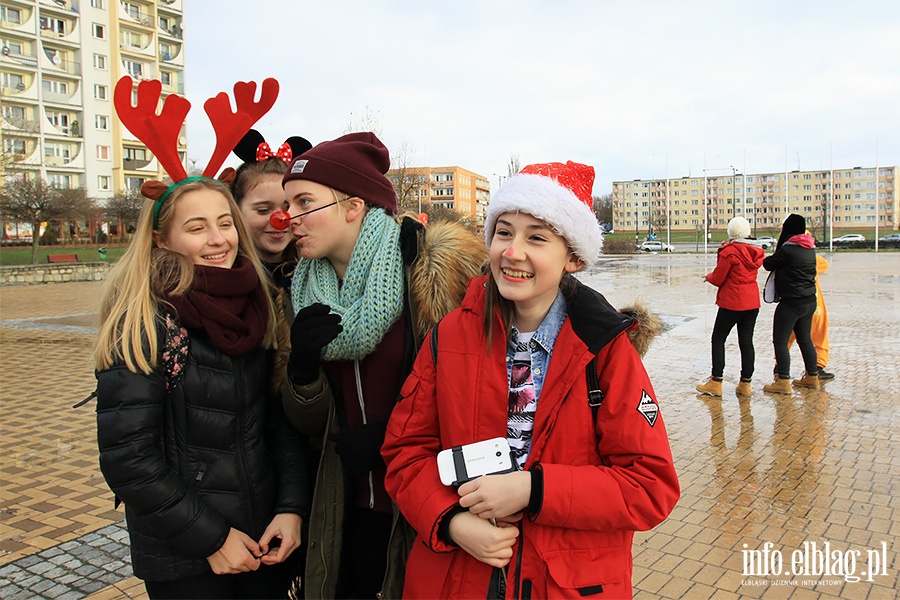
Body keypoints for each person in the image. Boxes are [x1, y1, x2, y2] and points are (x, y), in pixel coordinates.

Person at [381, 161, 680, 599]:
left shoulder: (605, 350)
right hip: (457, 578)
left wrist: (534, 489)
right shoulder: (449, 337)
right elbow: (405, 453)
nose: (512, 251)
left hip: (564, 585)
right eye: (504, 232)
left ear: (573, 257)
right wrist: (451, 521)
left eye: (536, 237)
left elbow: (649, 487)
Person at [279, 132, 488, 599]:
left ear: (353, 207)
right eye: (286, 203)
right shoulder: (296, 291)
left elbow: (483, 386)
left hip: (429, 503)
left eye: (303, 202)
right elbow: (304, 422)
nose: (287, 218)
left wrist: (394, 436)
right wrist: (303, 372)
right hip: (344, 503)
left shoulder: (431, 268)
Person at [93, 178, 309, 599]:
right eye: (196, 228)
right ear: (162, 240)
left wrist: (290, 508)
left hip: (261, 542)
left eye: (225, 223)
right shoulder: (147, 322)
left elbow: (274, 425)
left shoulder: (252, 307)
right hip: (188, 558)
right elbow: (129, 461)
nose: (218, 239)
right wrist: (211, 539)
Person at [231, 129, 312, 292]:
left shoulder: (316, 272)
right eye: (263, 210)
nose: (280, 219)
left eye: (288, 207)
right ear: (236, 209)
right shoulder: (225, 278)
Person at [696, 216, 765, 397]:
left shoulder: (730, 252)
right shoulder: (755, 250)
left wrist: (709, 277)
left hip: (732, 302)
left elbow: (719, 278)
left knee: (718, 338)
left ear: (730, 232)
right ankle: (745, 384)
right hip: (751, 303)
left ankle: (716, 381)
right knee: (746, 341)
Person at [762, 213, 819, 393]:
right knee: (805, 339)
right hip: (809, 301)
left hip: (791, 303)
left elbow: (767, 264)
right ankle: (812, 377)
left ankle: (783, 381)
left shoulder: (788, 250)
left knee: (780, 340)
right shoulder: (810, 247)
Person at [788, 251, 833, 380]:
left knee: (787, 337)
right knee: (819, 336)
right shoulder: (813, 260)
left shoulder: (786, 258)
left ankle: (780, 367)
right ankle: (817, 367)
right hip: (814, 304)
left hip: (792, 303)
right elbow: (824, 264)